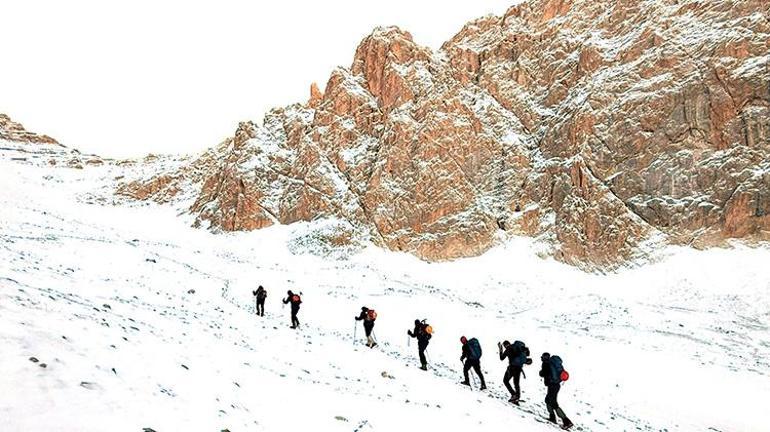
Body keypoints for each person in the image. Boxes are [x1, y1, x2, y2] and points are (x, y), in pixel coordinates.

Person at [539, 352, 573, 430]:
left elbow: (543, 373)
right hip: (556, 384)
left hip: (552, 385)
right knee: (548, 400)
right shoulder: (553, 362)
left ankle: (567, 421)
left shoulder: (546, 364)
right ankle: (552, 417)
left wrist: (541, 372)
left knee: (553, 403)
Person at [498, 340, 531, 404]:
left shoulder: (508, 349)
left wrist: (500, 350)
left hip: (512, 368)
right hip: (519, 368)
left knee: (505, 381)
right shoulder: (517, 348)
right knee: (516, 383)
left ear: (505, 345)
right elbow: (526, 355)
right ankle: (517, 396)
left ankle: (514, 395)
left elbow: (501, 358)